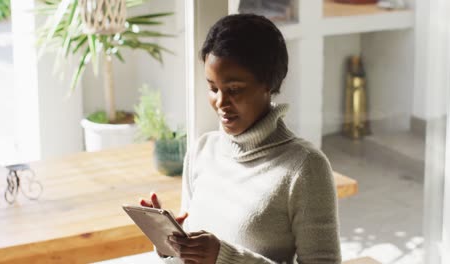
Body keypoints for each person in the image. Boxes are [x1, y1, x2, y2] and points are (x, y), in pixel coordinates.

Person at [139, 13, 341, 264]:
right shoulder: (202, 151)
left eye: (234, 89)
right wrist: (170, 245)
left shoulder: (305, 167)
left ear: (268, 82)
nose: (221, 103)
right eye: (213, 88)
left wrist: (225, 258)